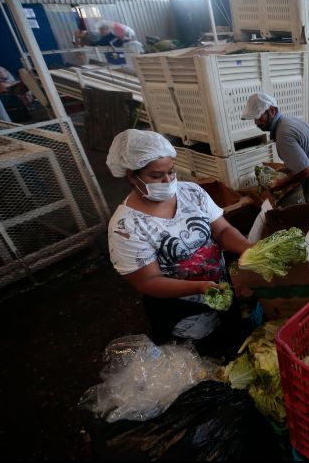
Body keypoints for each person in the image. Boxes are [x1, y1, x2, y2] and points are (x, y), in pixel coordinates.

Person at [106, 130, 255, 357]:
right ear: (132, 177)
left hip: (220, 288)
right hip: (181, 309)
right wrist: (198, 287)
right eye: (156, 176)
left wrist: (248, 248)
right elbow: (149, 281)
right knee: (204, 356)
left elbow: (222, 229)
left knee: (236, 341)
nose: (168, 181)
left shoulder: (191, 192)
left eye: (171, 171)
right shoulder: (125, 226)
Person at [241, 92, 309, 204]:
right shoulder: (289, 121)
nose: (257, 123)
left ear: (271, 110)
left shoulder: (283, 133)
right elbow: (306, 155)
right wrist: (287, 169)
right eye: (254, 119)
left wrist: (282, 183)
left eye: (259, 117)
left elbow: (306, 170)